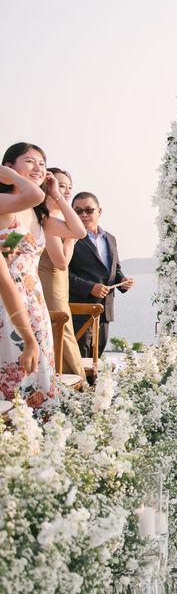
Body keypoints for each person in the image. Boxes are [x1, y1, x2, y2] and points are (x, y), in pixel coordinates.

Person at [0, 143, 86, 407]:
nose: (39, 167)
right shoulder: (6, 202)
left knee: (41, 373)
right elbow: (31, 196)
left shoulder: (38, 213)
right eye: (30, 161)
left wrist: (57, 195)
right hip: (6, 300)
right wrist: (10, 175)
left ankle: (38, 438)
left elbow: (78, 231)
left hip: (34, 303)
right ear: (10, 166)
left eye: (42, 163)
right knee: (16, 372)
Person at [68, 192, 134, 356]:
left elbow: (115, 269)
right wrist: (90, 287)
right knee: (80, 362)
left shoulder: (110, 238)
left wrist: (123, 280)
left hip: (105, 311)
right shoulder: (68, 237)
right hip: (79, 310)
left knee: (97, 359)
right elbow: (62, 273)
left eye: (89, 210)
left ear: (99, 212)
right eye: (78, 211)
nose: (83, 214)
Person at [0, 164, 44, 396]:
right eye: (30, 161)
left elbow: (6, 255)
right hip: (12, 301)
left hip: (27, 299)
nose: (37, 168)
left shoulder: (22, 218)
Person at [38, 168, 86, 379]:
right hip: (50, 282)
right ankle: (75, 381)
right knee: (61, 330)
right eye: (60, 185)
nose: (65, 191)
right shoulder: (46, 219)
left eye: (69, 187)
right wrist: (71, 239)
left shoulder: (56, 217)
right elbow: (61, 262)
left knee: (62, 331)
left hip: (59, 284)